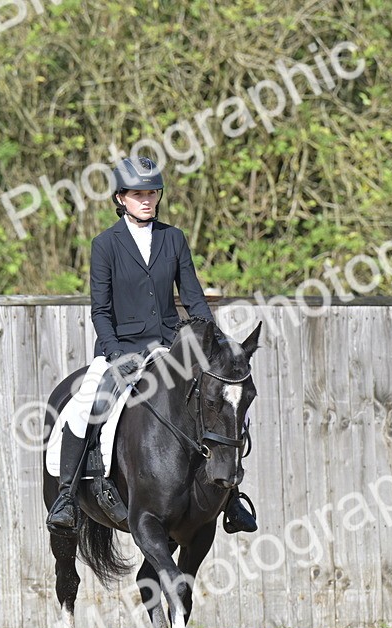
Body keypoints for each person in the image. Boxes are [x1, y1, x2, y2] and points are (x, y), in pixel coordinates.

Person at [46, 155, 258, 534]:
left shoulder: (172, 238)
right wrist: (112, 353)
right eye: (138, 193)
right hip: (120, 349)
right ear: (121, 197)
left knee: (221, 398)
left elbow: (193, 298)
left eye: (151, 192)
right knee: (84, 407)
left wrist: (214, 340)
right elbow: (101, 310)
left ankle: (234, 498)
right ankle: (66, 496)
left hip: (167, 345)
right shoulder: (105, 245)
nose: (146, 199)